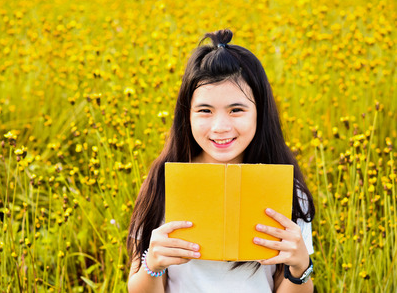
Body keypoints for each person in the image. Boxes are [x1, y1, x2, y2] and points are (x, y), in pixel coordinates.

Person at [127, 29, 315, 292]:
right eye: (205, 111)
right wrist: (153, 265)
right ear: (187, 115)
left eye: (236, 110)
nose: (220, 127)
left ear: (260, 113)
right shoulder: (161, 183)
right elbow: (137, 286)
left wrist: (300, 267)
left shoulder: (285, 189)